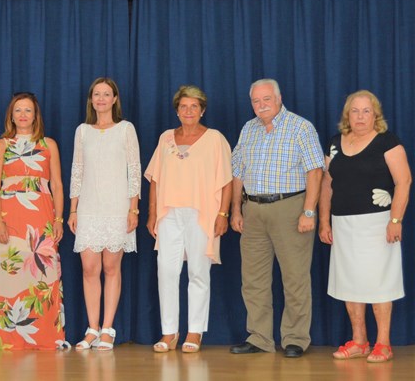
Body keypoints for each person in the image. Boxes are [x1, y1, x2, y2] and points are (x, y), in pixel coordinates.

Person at [229, 78, 324, 358]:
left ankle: (295, 338)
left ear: (279, 99)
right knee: (253, 279)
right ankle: (259, 337)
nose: (261, 106)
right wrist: (236, 209)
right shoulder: (249, 129)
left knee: (294, 277)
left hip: (290, 209)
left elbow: (315, 171)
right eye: (256, 101)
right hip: (253, 210)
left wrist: (309, 211)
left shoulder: (300, 127)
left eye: (266, 100)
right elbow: (238, 171)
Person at [318, 90, 411, 363]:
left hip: (377, 224)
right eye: (355, 111)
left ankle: (384, 343)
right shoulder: (335, 144)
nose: (360, 116)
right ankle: (359, 340)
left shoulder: (388, 142)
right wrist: (324, 220)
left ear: (375, 115)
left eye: (366, 111)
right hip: (343, 224)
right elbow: (326, 184)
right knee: (350, 283)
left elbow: (403, 182)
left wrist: (395, 220)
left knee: (379, 283)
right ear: (348, 114)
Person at [145, 85, 232, 353]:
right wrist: (151, 213)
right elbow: (156, 178)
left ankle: (195, 332)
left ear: (202, 110)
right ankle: (169, 332)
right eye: (183, 106)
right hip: (169, 213)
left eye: (194, 106)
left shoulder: (215, 138)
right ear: (177, 110)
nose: (188, 111)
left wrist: (223, 213)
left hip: (202, 213)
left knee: (198, 272)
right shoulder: (166, 138)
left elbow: (227, 179)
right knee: (167, 271)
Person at [0, 92, 68, 350]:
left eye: (28, 110)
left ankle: (45, 336)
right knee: (10, 274)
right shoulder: (0, 145)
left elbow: (56, 183)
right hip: (10, 216)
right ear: (11, 115)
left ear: (36, 115)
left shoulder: (49, 145)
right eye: (18, 110)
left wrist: (58, 218)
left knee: (42, 275)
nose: (23, 115)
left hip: (41, 216)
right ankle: (8, 339)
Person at [68, 78, 141, 351]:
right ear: (91, 100)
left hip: (117, 208)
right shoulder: (82, 131)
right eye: (96, 94)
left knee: (111, 268)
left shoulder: (125, 129)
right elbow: (77, 169)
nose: (101, 98)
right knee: (89, 269)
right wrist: (73, 209)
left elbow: (134, 170)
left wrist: (133, 208)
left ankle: (108, 328)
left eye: (106, 94)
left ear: (114, 99)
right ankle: (92, 329)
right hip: (88, 208)